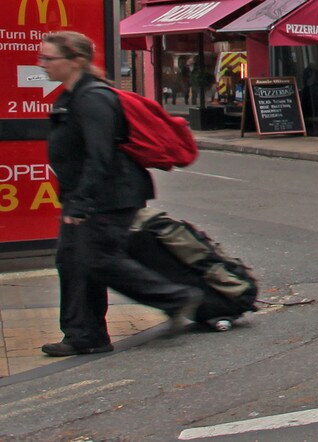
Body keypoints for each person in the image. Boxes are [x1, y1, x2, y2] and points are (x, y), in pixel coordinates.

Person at [40, 31, 202, 357]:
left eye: (49, 58)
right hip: (87, 196)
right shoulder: (74, 95)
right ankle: (85, 336)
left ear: (75, 61)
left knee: (98, 259)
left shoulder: (92, 98)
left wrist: (82, 201)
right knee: (73, 262)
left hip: (109, 196)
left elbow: (100, 156)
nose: (42, 64)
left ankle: (174, 297)